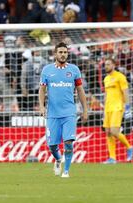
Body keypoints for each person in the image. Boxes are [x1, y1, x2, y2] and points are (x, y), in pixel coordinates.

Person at [39, 42, 88, 178]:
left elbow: (80, 90)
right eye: (60, 52)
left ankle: (66, 171)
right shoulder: (47, 70)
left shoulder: (74, 70)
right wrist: (42, 106)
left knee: (68, 142)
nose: (63, 54)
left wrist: (85, 110)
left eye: (65, 52)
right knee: (53, 146)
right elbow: (42, 90)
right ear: (55, 54)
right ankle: (58, 159)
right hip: (53, 114)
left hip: (69, 113)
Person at [103, 58, 133, 164]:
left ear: (114, 65)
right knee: (108, 133)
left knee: (114, 131)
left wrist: (128, 106)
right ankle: (112, 158)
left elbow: (125, 92)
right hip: (107, 108)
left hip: (117, 107)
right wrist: (104, 108)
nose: (106, 66)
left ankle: (129, 147)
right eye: (105, 64)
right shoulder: (106, 79)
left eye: (108, 64)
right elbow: (106, 94)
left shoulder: (120, 77)